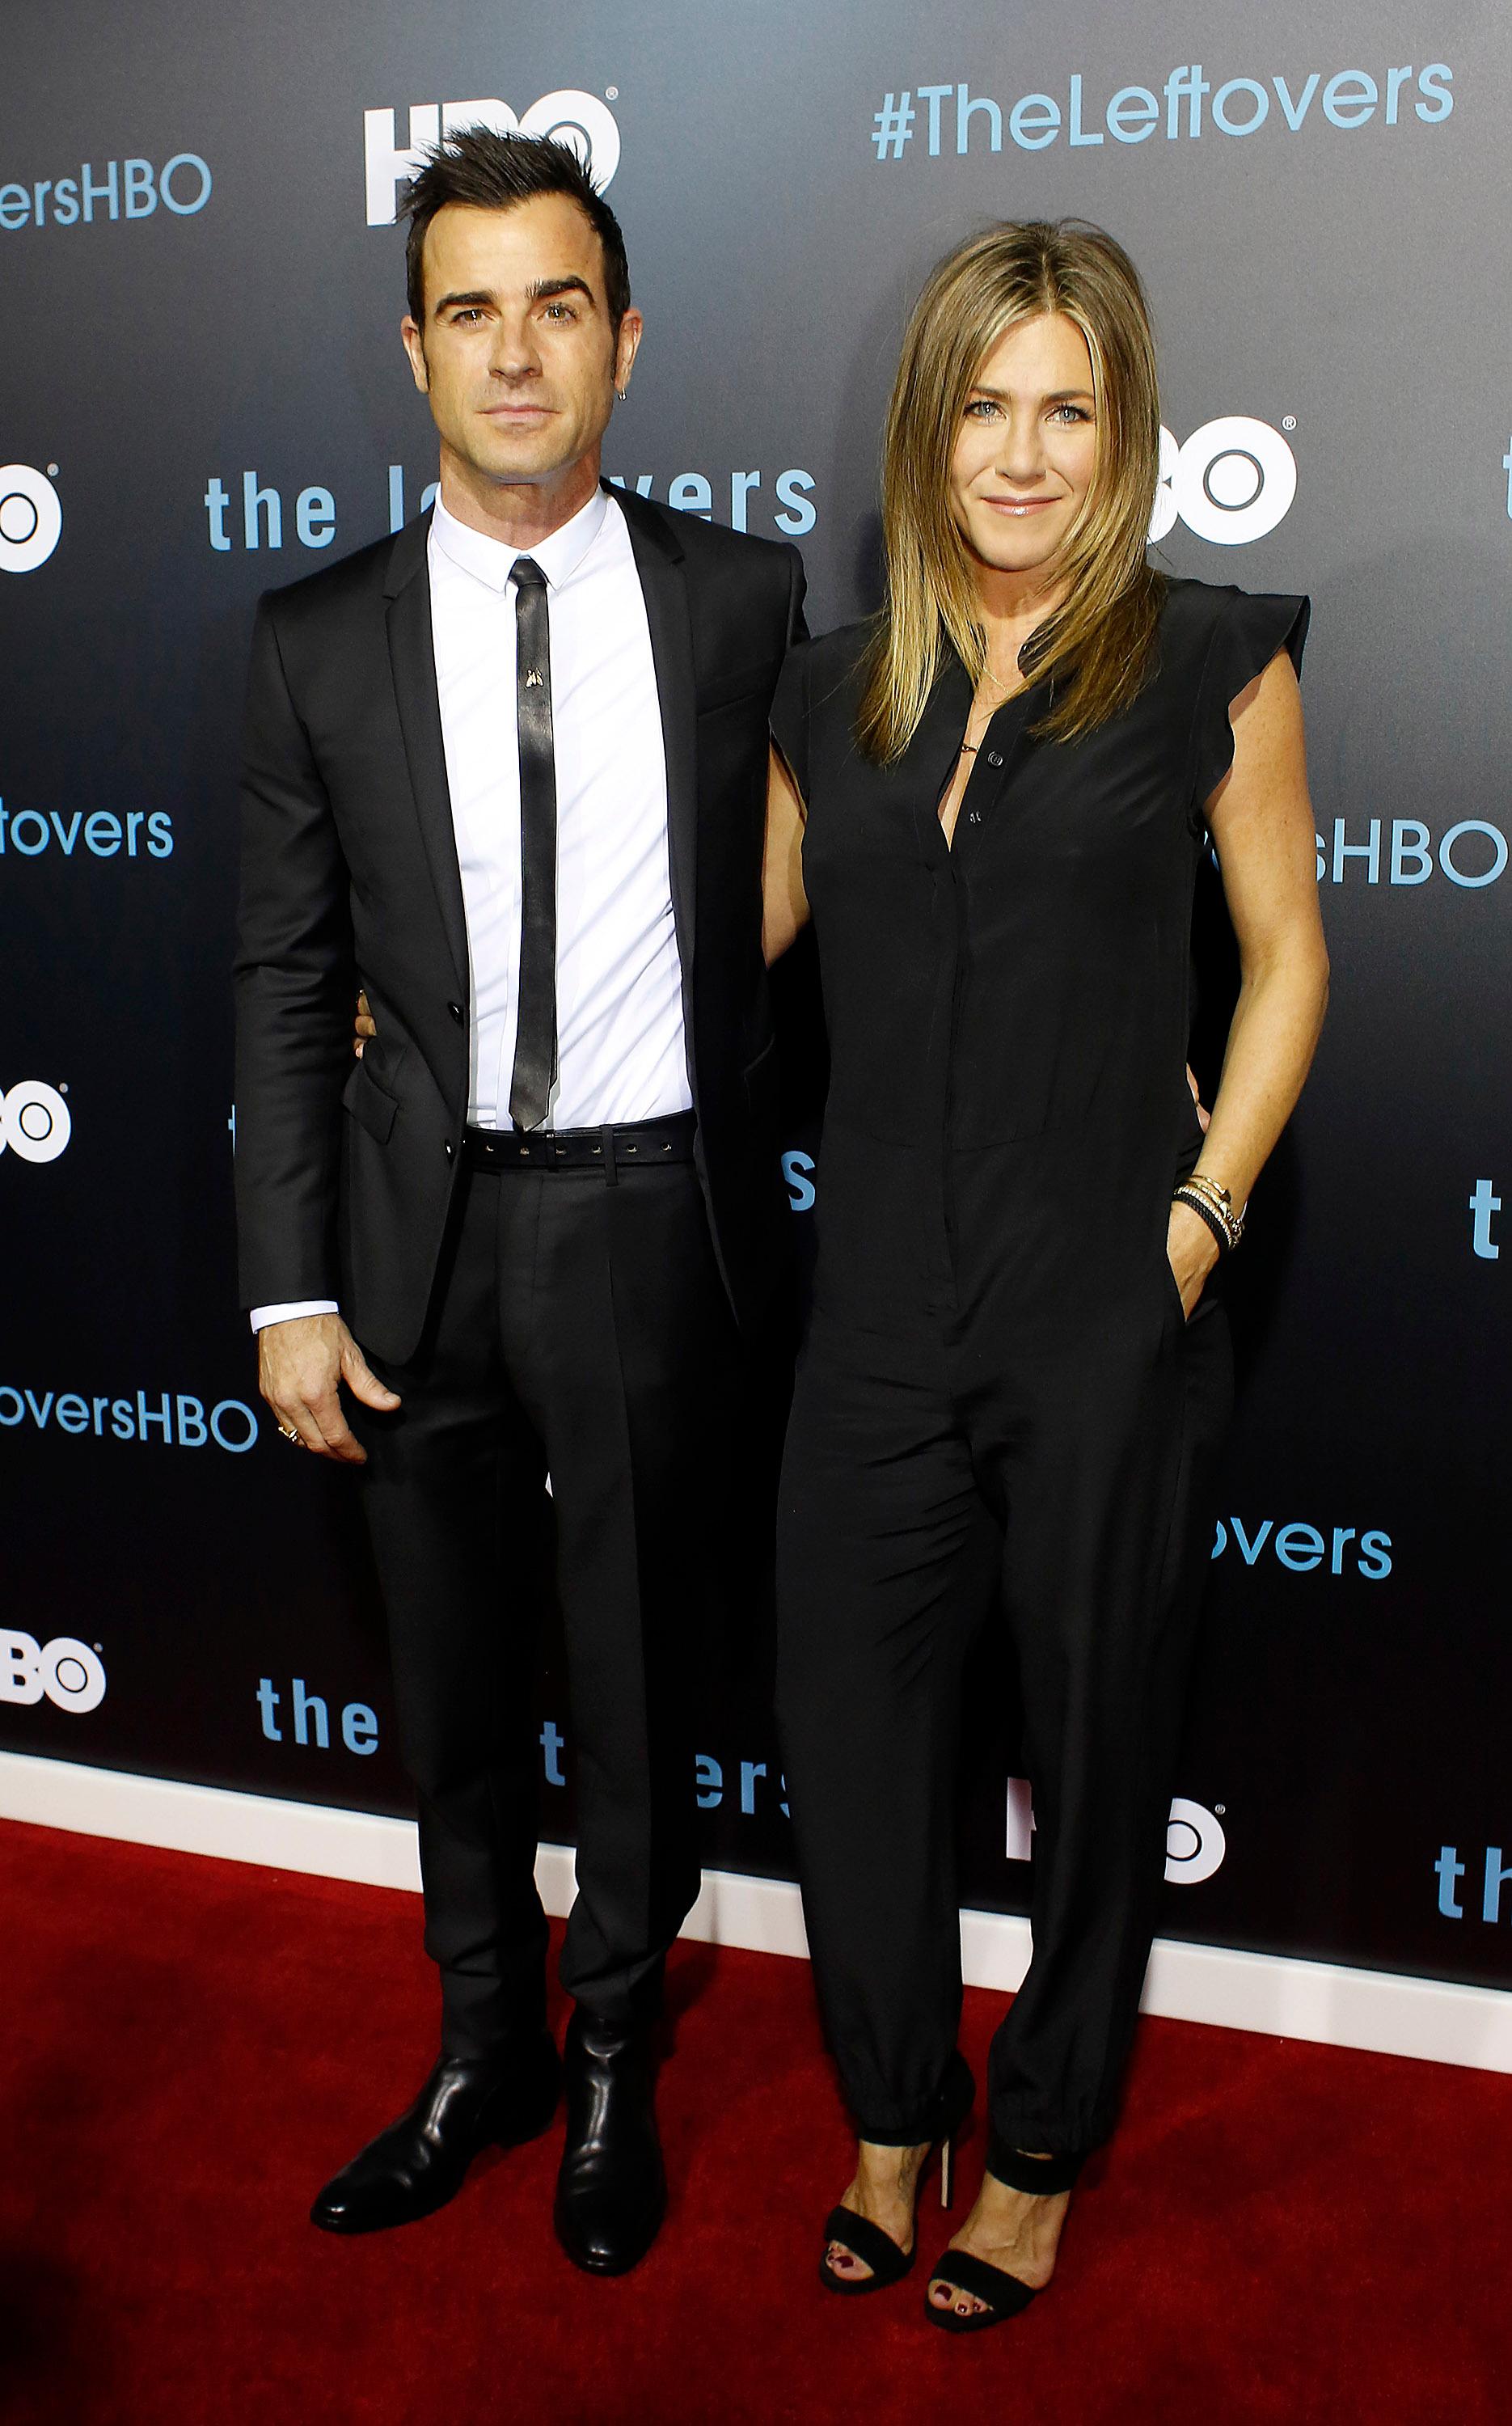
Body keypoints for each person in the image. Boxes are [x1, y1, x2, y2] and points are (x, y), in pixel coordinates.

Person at [233, 128, 804, 2276]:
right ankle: (476, 2048)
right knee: (453, 1681)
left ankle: (609, 2072)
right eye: (470, 310)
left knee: (642, 1689)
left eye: (558, 304)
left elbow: (809, 864)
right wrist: (288, 1285)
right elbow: (285, 980)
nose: (516, 351)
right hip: (413, 1238)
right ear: (414, 353)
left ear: (624, 341)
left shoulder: (744, 596)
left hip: (658, 1220)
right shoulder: (310, 635)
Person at [761, 220, 1328, 2330]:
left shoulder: (1208, 658)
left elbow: (1288, 960)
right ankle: (893, 2112)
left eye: (1065, 409)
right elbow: (711, 964)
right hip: (873, 1332)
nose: (1021, 453)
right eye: (984, 406)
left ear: (1124, 432)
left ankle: (1037, 2151)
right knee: (853, 1747)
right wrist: (440, 1013)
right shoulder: (835, 688)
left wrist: (1195, 1225)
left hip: (1106, 1311)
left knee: (1100, 1759)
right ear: (932, 432)